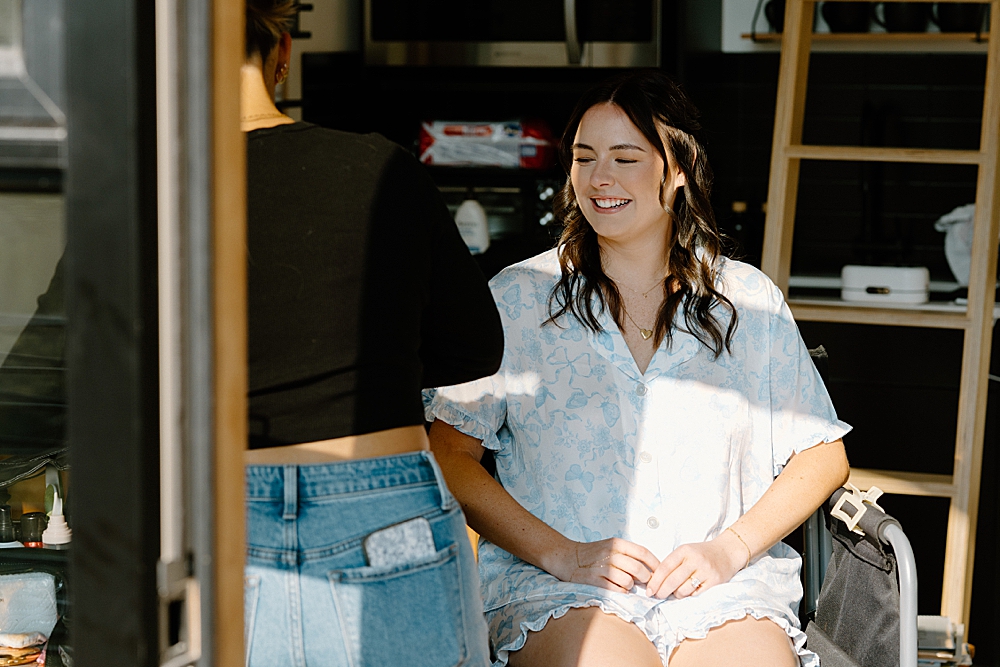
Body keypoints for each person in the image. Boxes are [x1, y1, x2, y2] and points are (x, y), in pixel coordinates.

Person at [425, 71, 851, 667]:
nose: (600, 179)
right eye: (584, 157)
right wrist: (562, 554)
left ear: (677, 170)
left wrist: (729, 551)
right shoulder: (517, 298)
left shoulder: (747, 299)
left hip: (724, 590)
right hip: (563, 589)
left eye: (626, 158)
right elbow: (448, 453)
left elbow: (822, 454)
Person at [240, 2, 502, 665]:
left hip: (215, 507)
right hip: (382, 504)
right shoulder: (381, 169)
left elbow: (53, 366)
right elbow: (476, 345)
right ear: (281, 56)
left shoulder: (148, 187)